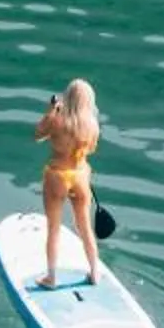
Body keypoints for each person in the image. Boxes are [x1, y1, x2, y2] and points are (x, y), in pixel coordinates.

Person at [32, 79, 103, 289]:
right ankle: (94, 272)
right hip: (80, 175)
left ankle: (51, 278)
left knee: (53, 228)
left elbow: (37, 135)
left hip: (57, 176)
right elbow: (90, 149)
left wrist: (51, 110)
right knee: (84, 227)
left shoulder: (57, 120)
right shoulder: (92, 126)